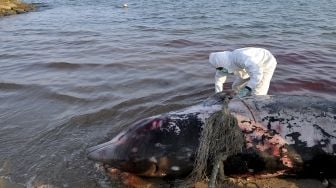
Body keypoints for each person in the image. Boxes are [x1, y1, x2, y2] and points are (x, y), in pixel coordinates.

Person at [209, 47, 277, 97]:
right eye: (218, 68)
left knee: (258, 93)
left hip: (265, 63)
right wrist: (218, 96)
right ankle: (240, 100)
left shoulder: (241, 58)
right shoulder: (222, 66)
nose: (220, 70)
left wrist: (247, 89)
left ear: (223, 64)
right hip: (248, 67)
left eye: (220, 68)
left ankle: (257, 108)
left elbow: (257, 76)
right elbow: (218, 82)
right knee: (236, 86)